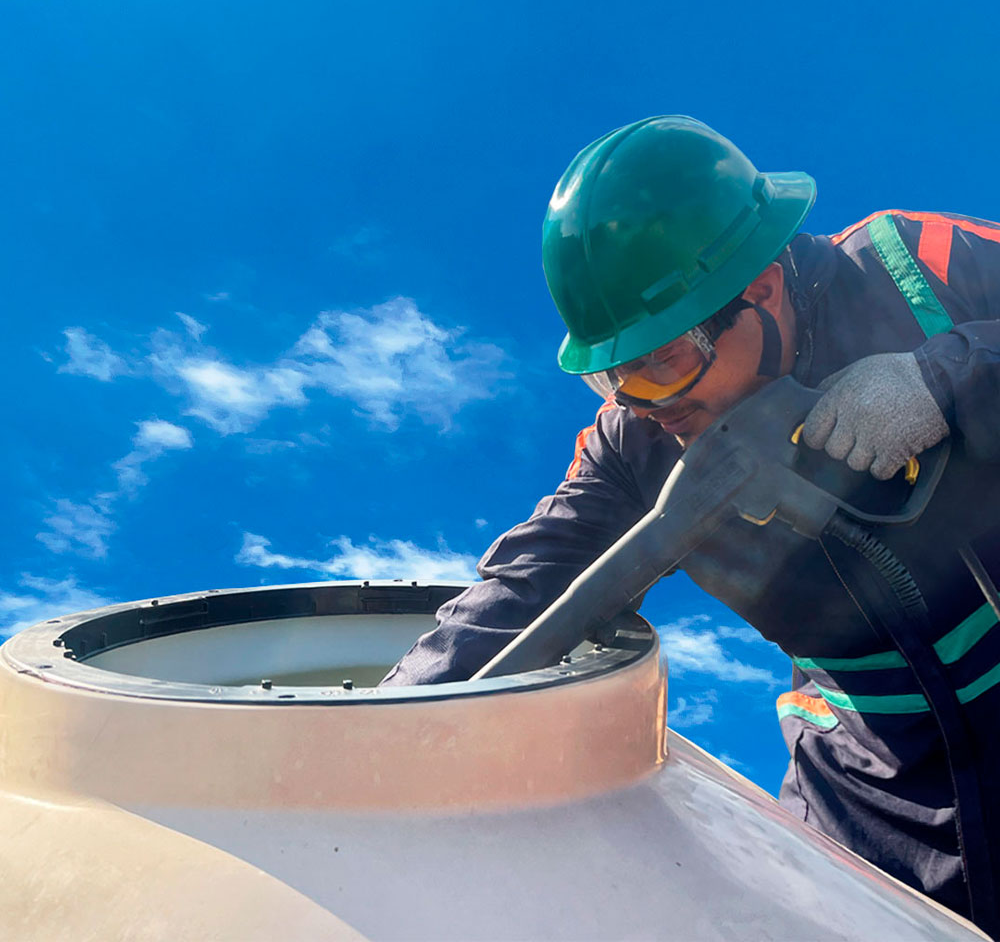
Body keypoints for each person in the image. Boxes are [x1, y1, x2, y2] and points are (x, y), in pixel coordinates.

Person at [381, 116, 1000, 936]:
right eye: (615, 374)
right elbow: (525, 589)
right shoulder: (635, 440)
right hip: (867, 802)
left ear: (764, 289)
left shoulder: (915, 264)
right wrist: (377, 740)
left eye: (665, 360)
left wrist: (950, 375)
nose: (649, 403)